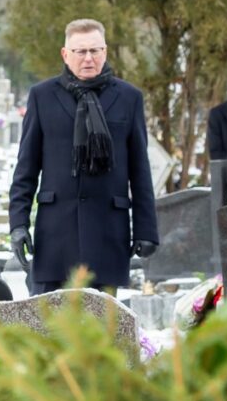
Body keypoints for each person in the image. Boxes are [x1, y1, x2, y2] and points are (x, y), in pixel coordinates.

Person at [9, 18, 158, 295]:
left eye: (95, 50)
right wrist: (17, 224)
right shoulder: (42, 96)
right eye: (80, 51)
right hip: (56, 234)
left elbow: (140, 170)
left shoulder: (128, 98)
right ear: (66, 54)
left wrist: (146, 229)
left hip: (108, 233)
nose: (88, 58)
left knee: (102, 330)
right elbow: (26, 169)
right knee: (47, 327)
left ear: (105, 52)